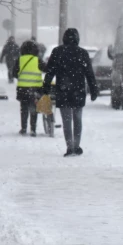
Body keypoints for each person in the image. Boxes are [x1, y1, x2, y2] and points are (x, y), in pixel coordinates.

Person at [43, 28, 98, 156]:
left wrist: (45, 87)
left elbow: (50, 71)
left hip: (63, 90)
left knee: (66, 120)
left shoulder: (57, 52)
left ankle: (69, 147)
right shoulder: (82, 53)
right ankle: (76, 145)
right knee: (77, 119)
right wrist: (94, 89)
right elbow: (89, 73)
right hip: (78, 91)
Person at [13, 40, 46, 136]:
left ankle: (23, 128)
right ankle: (33, 129)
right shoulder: (37, 60)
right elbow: (46, 69)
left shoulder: (20, 60)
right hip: (35, 89)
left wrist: (22, 77)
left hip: (22, 89)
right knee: (34, 108)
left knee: (23, 108)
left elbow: (14, 73)